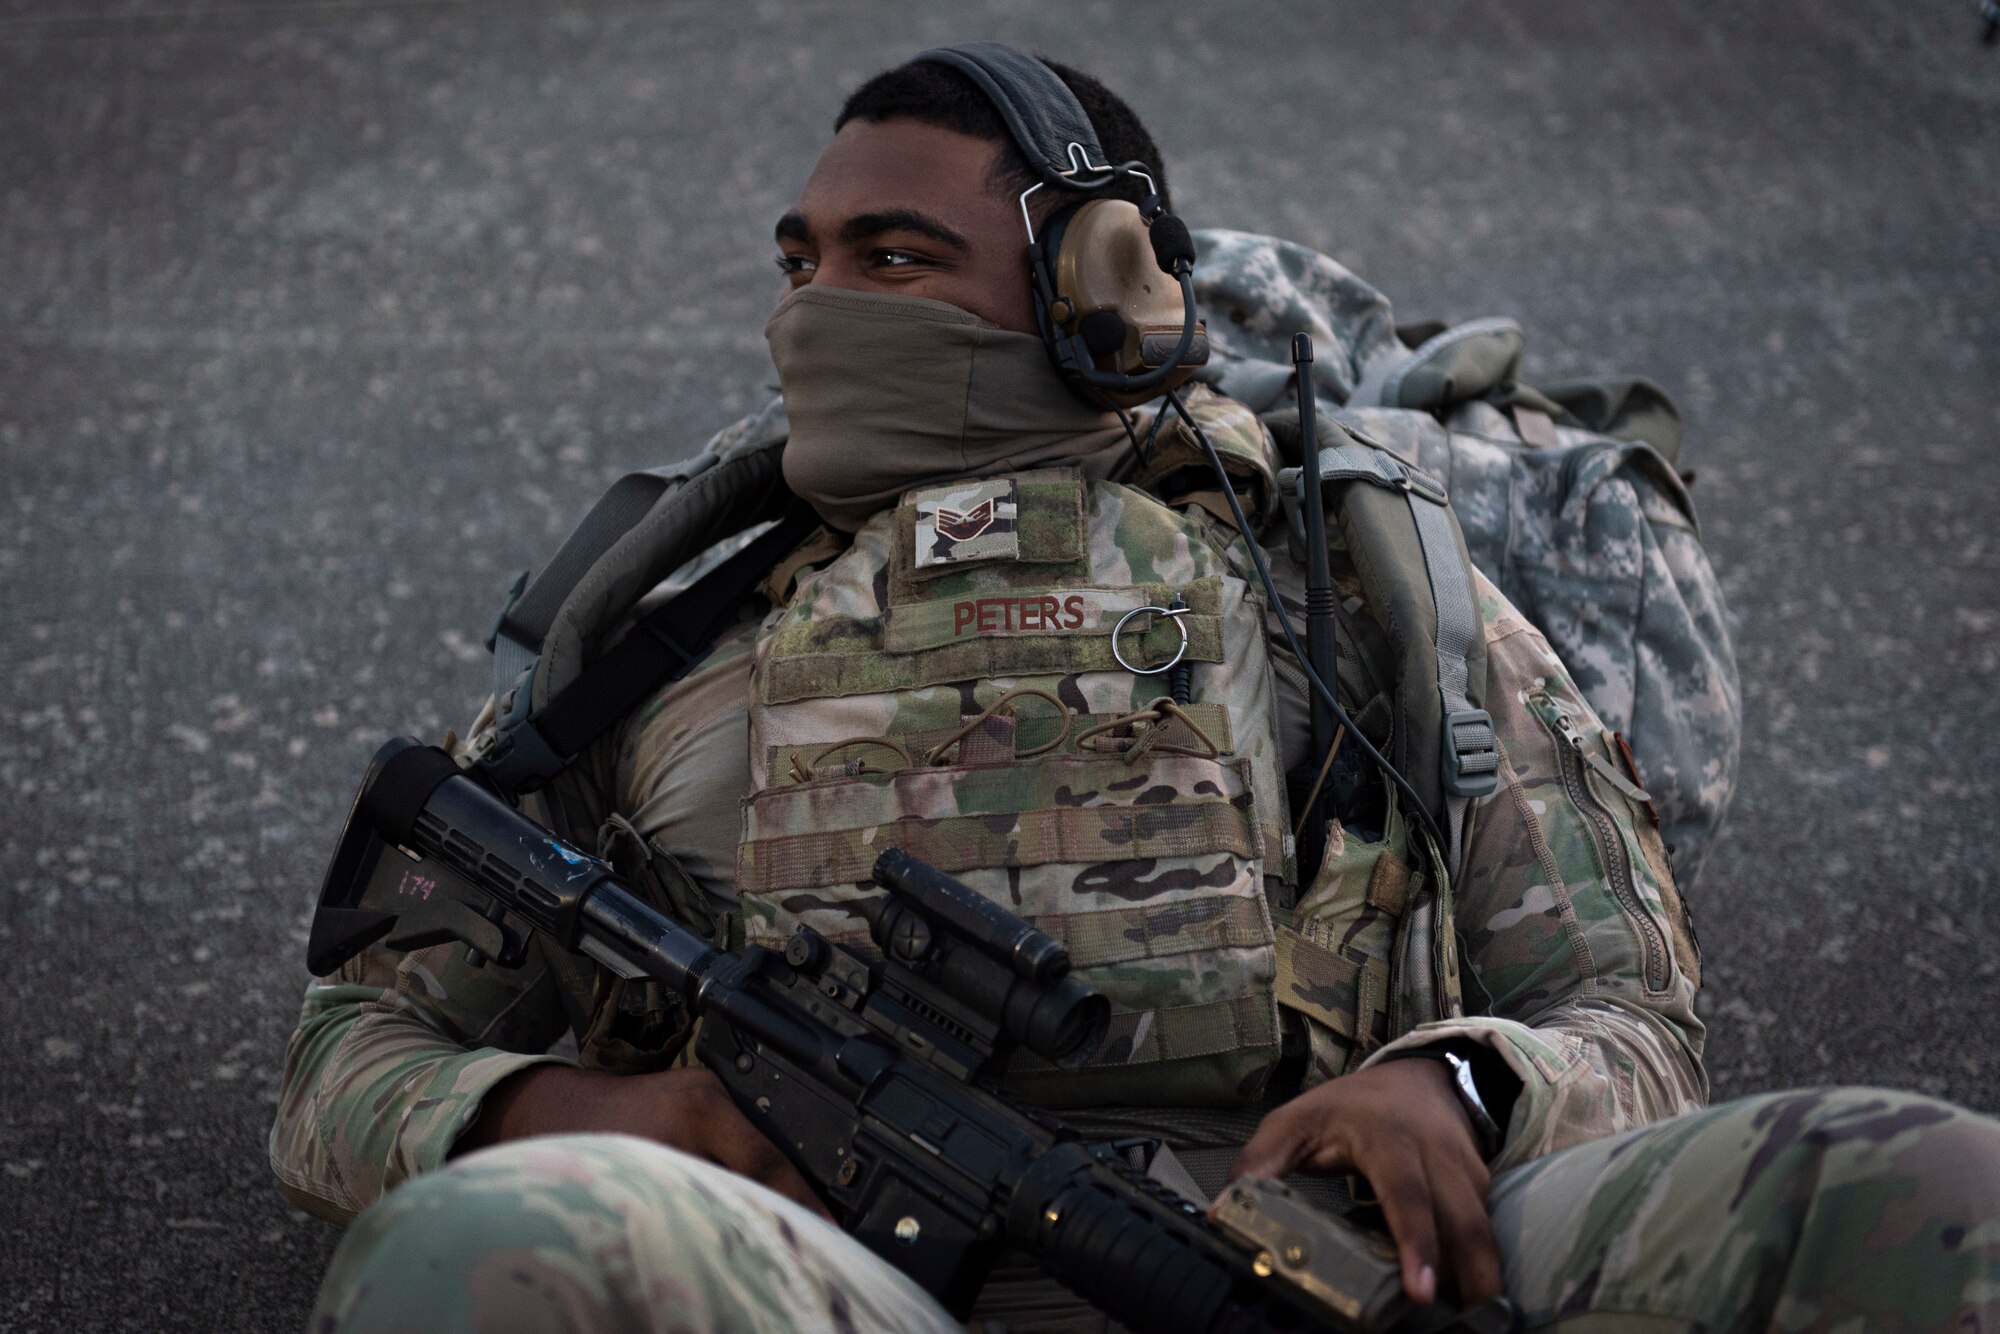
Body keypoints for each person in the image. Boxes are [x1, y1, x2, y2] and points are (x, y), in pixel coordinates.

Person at [274, 47, 2000, 1334]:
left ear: (1103, 286)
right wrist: (560, 1107)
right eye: (800, 263)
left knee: (1921, 1188)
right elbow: (352, 1049)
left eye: (890, 257)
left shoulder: (1357, 589)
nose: (817, 308)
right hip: (838, 1285)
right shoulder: (668, 629)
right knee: (471, 1257)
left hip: (1344, 1260)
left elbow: (1633, 1018)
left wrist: (1457, 1088)